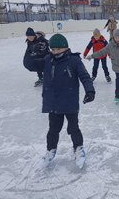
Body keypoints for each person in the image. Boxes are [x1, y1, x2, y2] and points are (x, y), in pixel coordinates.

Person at [41, 33, 95, 168]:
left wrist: (90, 91)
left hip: (69, 101)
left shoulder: (74, 60)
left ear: (65, 48)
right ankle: (51, 150)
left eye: (58, 49)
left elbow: (84, 76)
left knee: (73, 128)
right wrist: (32, 46)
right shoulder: (48, 59)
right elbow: (30, 64)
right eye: (53, 49)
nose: (55, 52)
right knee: (53, 129)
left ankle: (78, 149)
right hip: (53, 102)